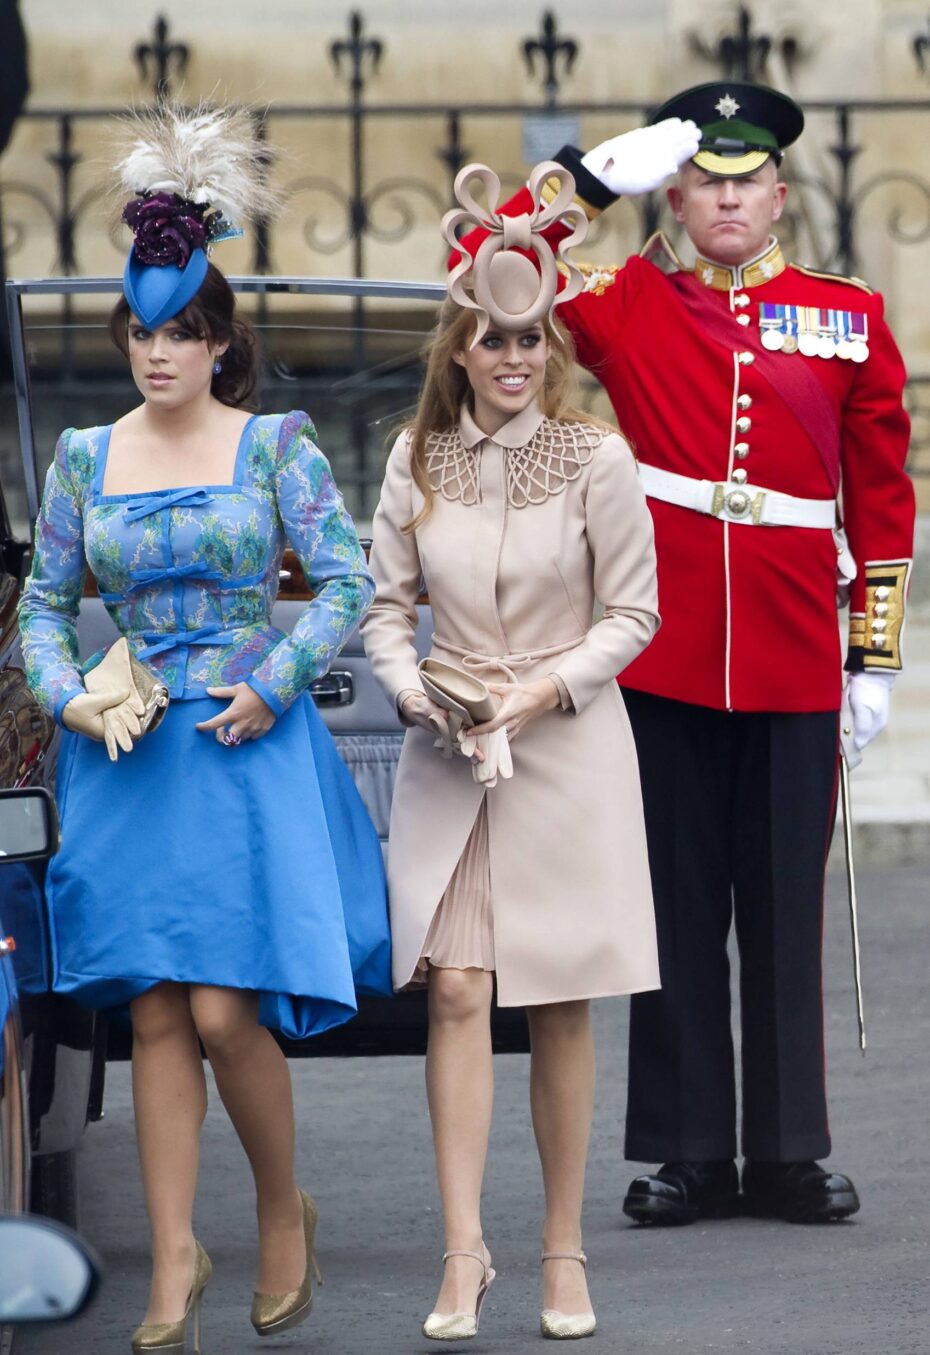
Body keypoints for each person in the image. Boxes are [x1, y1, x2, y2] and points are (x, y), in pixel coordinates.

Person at [457, 81, 916, 1225]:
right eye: (704, 177)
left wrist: (875, 658)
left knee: (781, 908)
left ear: (777, 193)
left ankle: (789, 1150)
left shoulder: (847, 314)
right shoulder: (626, 302)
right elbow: (484, 262)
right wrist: (580, 181)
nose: (725, 197)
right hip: (662, 651)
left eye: (744, 180)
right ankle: (689, 1150)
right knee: (670, 903)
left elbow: (886, 502)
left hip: (800, 646)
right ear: (677, 187)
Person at [17, 103, 391, 1352]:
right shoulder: (80, 457)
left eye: (184, 331)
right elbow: (40, 607)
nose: (159, 352)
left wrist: (275, 681)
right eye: (143, 331)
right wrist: (70, 695)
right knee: (158, 1012)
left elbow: (345, 582)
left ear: (220, 343)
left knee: (230, 1011)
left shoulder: (275, 445)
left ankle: (282, 1210)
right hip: (125, 756)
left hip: (243, 740)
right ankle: (174, 1259)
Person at [362, 160, 660, 1341]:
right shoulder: (412, 460)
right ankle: (464, 1250)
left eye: (530, 338)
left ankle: (562, 1247)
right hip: (449, 750)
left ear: (550, 343)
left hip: (567, 750)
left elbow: (632, 615)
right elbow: (384, 610)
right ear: (459, 346)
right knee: (456, 993)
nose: (513, 358)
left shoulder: (597, 459)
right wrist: (413, 692)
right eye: (491, 339)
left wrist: (541, 690)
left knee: (563, 1004)